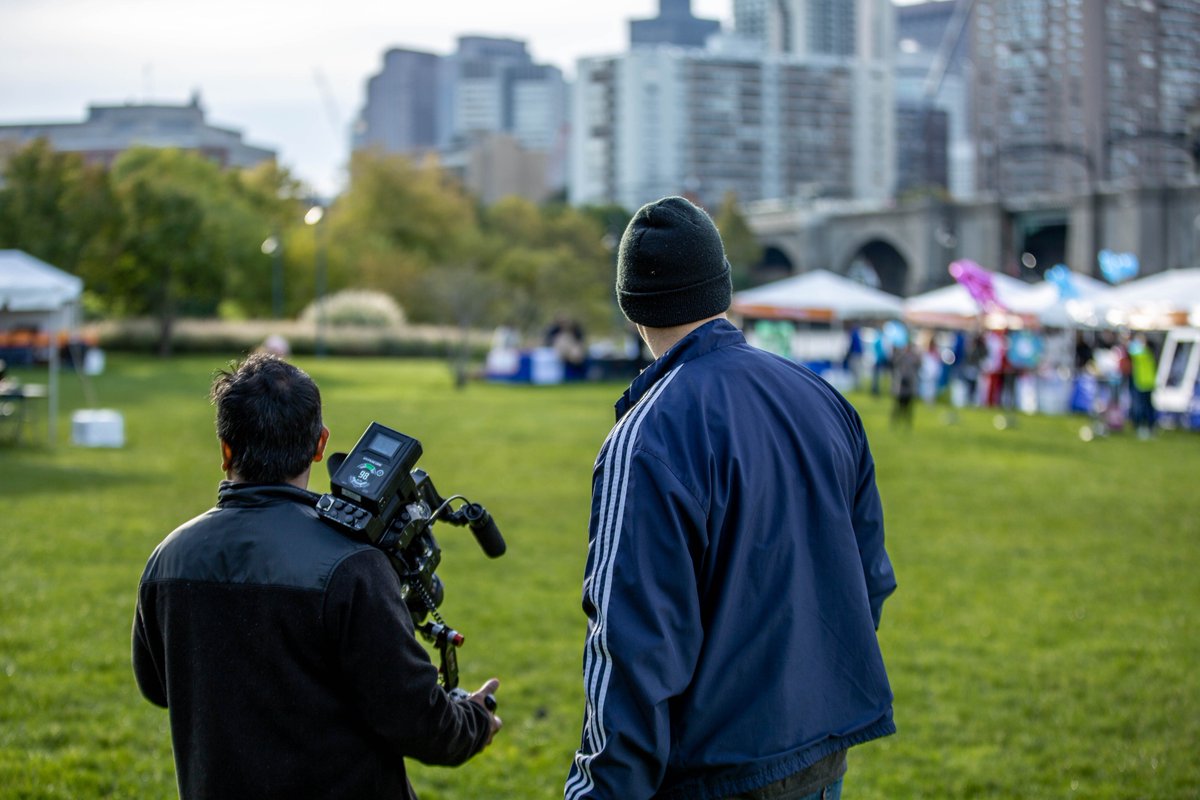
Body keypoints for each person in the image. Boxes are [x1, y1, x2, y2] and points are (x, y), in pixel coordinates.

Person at [564, 197, 896, 800]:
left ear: (631, 305)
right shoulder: (820, 397)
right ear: (723, 289)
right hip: (820, 756)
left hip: (717, 773)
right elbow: (867, 580)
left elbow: (631, 651)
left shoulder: (647, 434)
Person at [131, 353, 501, 800]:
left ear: (225, 450)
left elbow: (159, 687)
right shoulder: (353, 565)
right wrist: (476, 719)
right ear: (320, 445)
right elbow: (420, 722)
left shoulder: (167, 558)